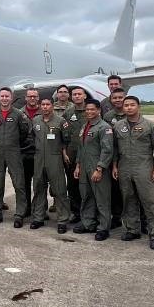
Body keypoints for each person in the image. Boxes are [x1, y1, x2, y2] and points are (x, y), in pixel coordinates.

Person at [112, 96, 154, 250]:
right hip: (124, 167)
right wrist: (115, 165)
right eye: (126, 105)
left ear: (138, 106)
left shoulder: (151, 126)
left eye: (132, 105)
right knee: (128, 199)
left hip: (144, 168)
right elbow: (115, 148)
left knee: (150, 202)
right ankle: (132, 229)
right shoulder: (118, 126)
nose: (129, 107)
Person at [0, 87, 31, 228]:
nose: (5, 98)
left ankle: (19, 215)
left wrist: (14, 143)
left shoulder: (18, 114)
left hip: (14, 152)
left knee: (19, 183)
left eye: (7, 96)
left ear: (11, 98)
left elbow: (24, 132)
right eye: (2, 96)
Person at [72, 99, 113, 241]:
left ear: (98, 110)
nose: (89, 112)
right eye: (87, 110)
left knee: (102, 199)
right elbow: (81, 148)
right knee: (86, 196)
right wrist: (78, 165)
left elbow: (107, 150)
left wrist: (100, 168)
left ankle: (103, 228)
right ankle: (88, 222)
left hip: (97, 167)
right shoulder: (85, 126)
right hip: (84, 167)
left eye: (92, 109)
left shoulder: (104, 127)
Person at [30, 97, 71, 234]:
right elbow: (31, 137)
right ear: (40, 106)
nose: (45, 107)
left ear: (52, 106)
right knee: (39, 188)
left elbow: (66, 139)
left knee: (59, 189)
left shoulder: (60, 121)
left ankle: (62, 220)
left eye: (48, 104)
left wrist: (64, 152)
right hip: (39, 158)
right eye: (43, 104)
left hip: (55, 158)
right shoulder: (35, 120)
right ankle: (38, 217)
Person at [62, 86, 88, 224]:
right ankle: (75, 211)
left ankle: (89, 212)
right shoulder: (68, 113)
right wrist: (64, 151)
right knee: (72, 183)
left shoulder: (91, 111)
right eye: (74, 94)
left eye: (79, 94)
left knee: (88, 184)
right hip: (72, 153)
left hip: (88, 153)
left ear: (84, 96)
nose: (77, 96)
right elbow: (64, 134)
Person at [102, 87, 127, 229]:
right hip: (112, 157)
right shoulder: (107, 116)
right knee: (115, 189)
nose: (118, 100)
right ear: (111, 100)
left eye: (120, 97)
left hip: (128, 156)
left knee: (132, 190)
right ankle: (117, 216)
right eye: (114, 98)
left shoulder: (131, 112)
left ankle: (138, 219)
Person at [19, 88, 41, 218]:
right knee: (24, 183)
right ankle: (26, 208)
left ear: (38, 98)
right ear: (26, 98)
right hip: (24, 153)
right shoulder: (19, 113)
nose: (32, 98)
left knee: (39, 184)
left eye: (35, 96)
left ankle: (39, 209)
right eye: (30, 96)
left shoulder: (44, 111)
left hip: (38, 153)